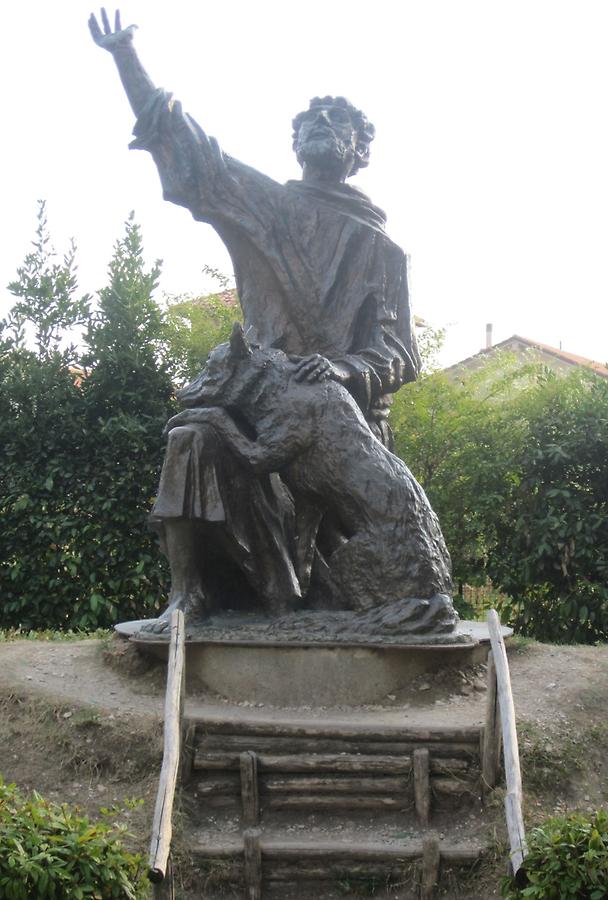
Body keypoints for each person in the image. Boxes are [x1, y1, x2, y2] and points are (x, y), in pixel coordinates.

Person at [89, 10, 425, 629]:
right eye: (310, 122)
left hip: (341, 421)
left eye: (340, 122)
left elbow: (401, 353)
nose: (324, 126)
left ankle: (310, 598)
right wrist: (125, 59)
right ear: (294, 145)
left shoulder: (383, 250)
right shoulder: (266, 205)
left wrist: (346, 371)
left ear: (359, 151)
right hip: (259, 398)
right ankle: (188, 598)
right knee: (190, 437)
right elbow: (192, 154)